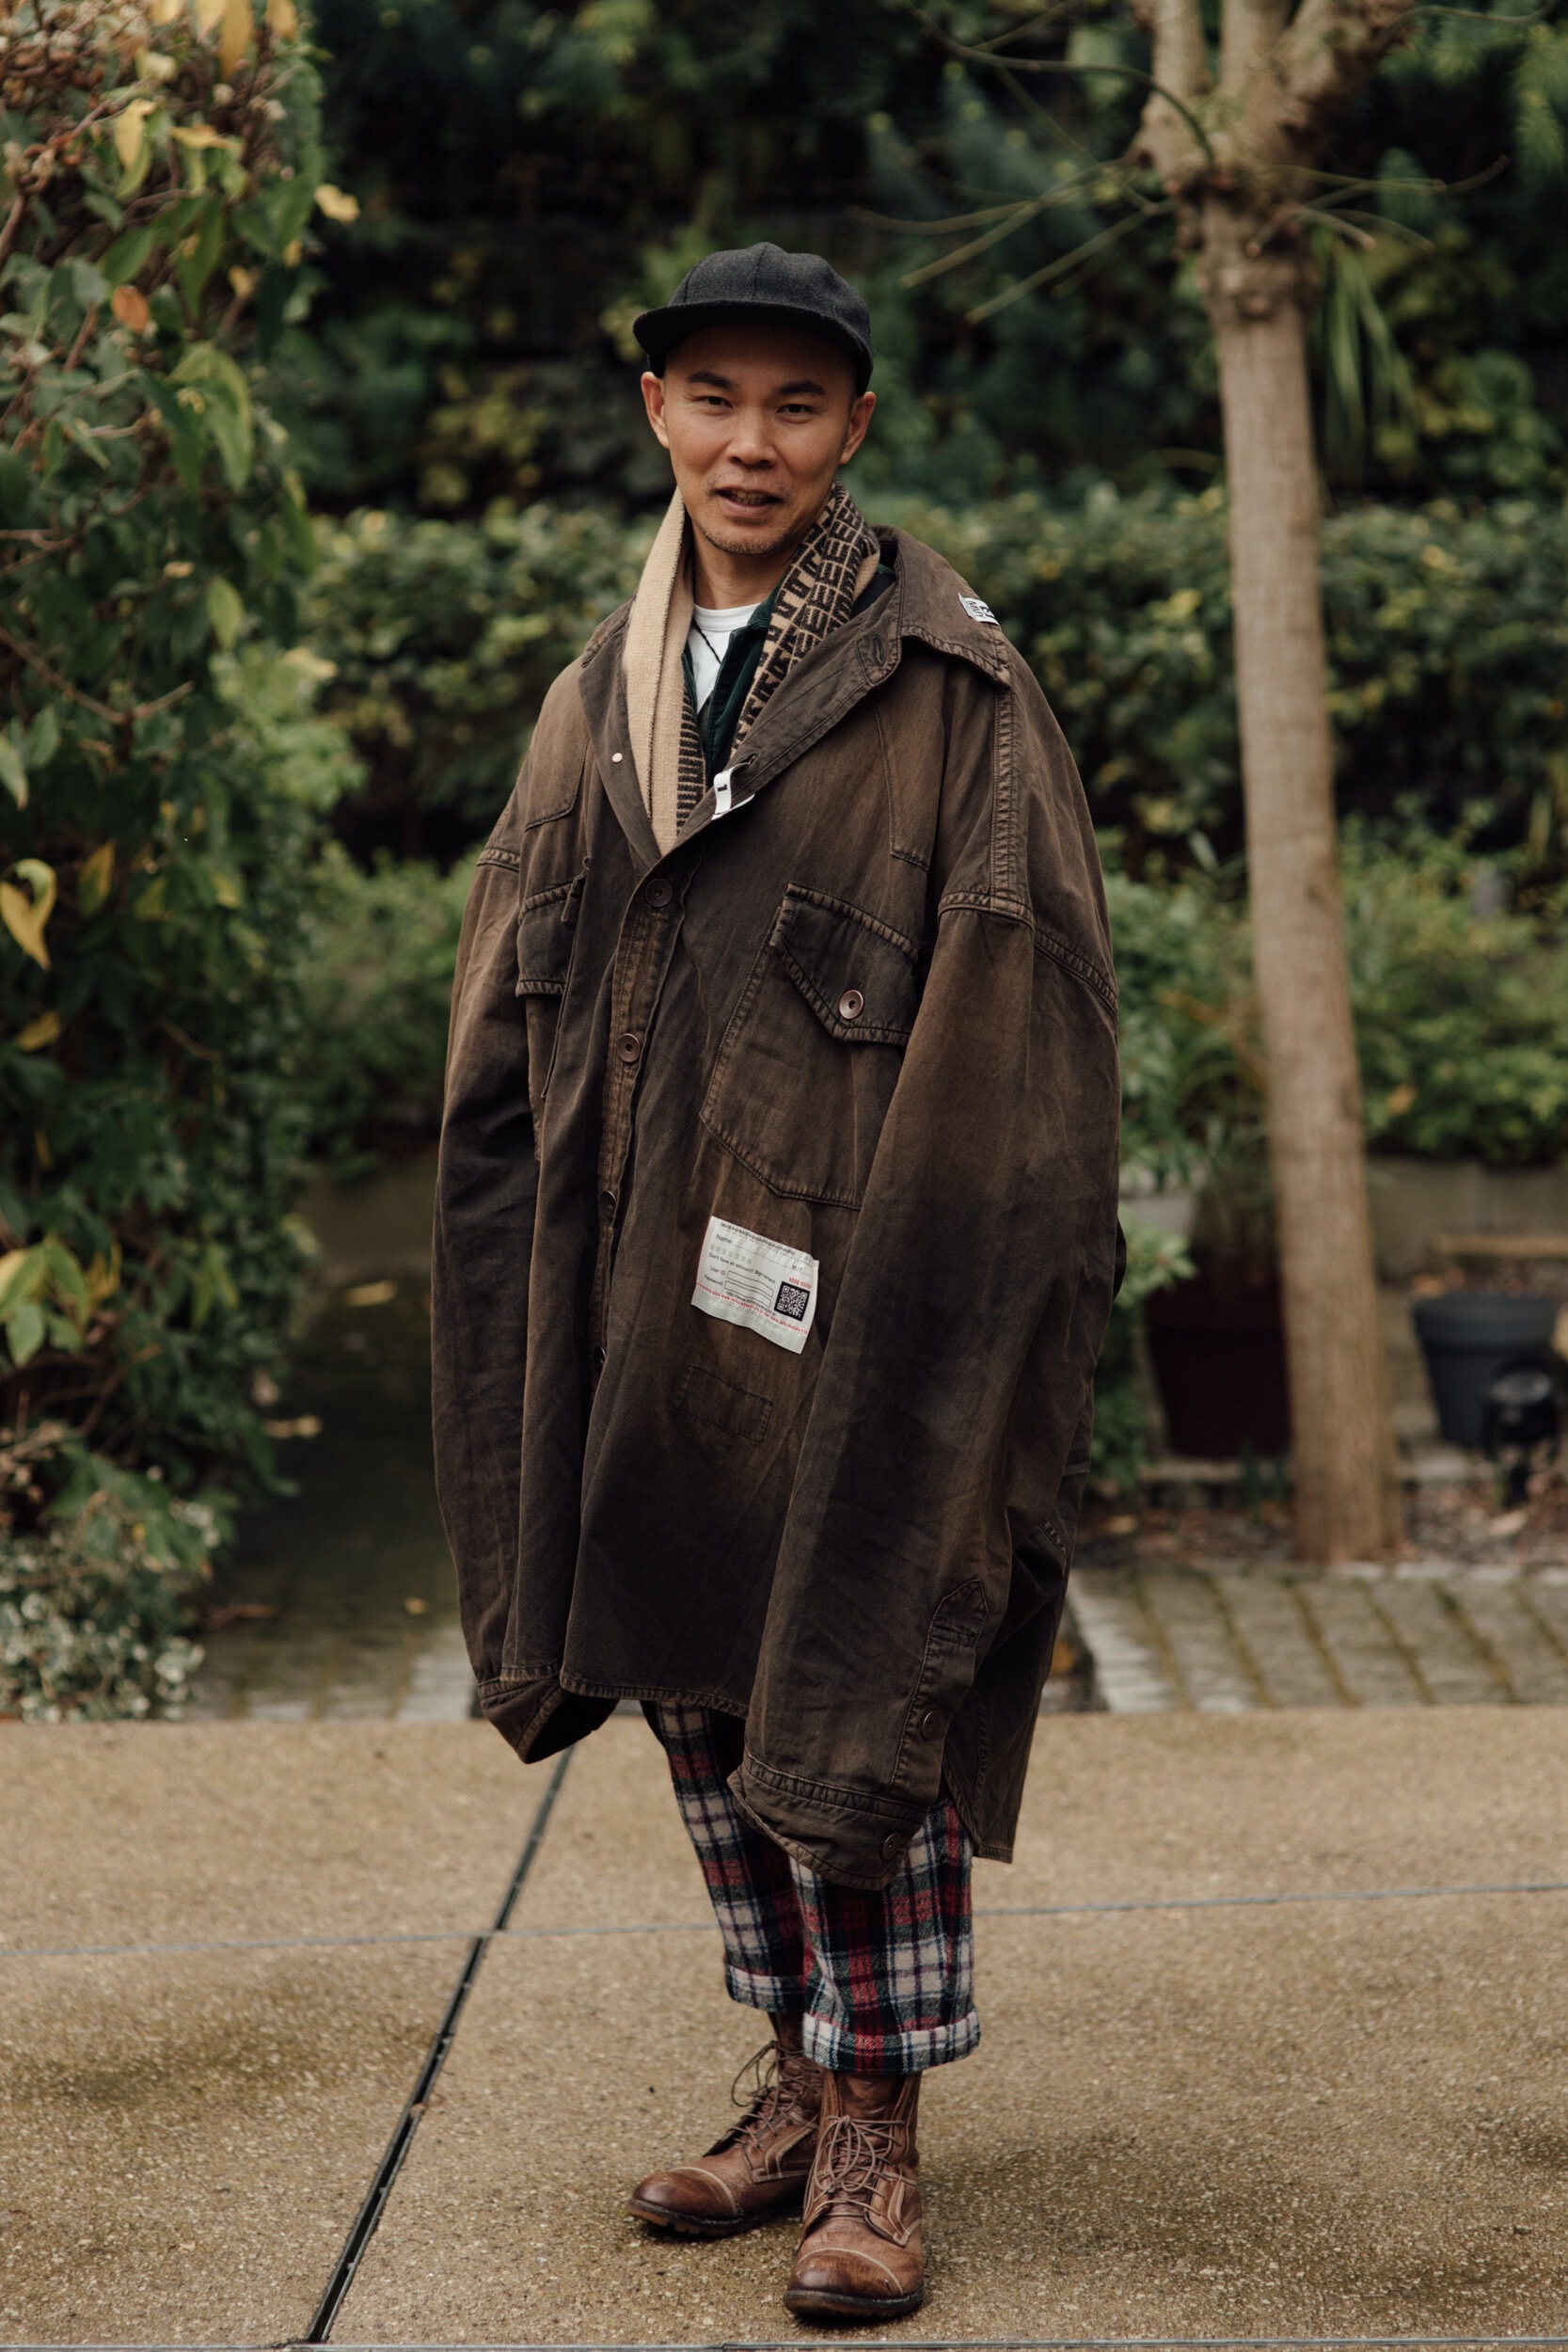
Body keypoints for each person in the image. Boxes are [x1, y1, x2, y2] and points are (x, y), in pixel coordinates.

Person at [432, 242, 1121, 2324]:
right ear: (656, 408)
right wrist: (518, 1290)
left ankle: (881, 2131)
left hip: (859, 1291)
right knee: (690, 1673)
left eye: (796, 404)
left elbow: (1025, 1040)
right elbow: (510, 1012)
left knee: (858, 1683)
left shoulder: (953, 694)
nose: (753, 442)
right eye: (714, 397)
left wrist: (951, 1329)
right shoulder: (605, 695)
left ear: (855, 428)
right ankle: (802, 2080)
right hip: (645, 1295)